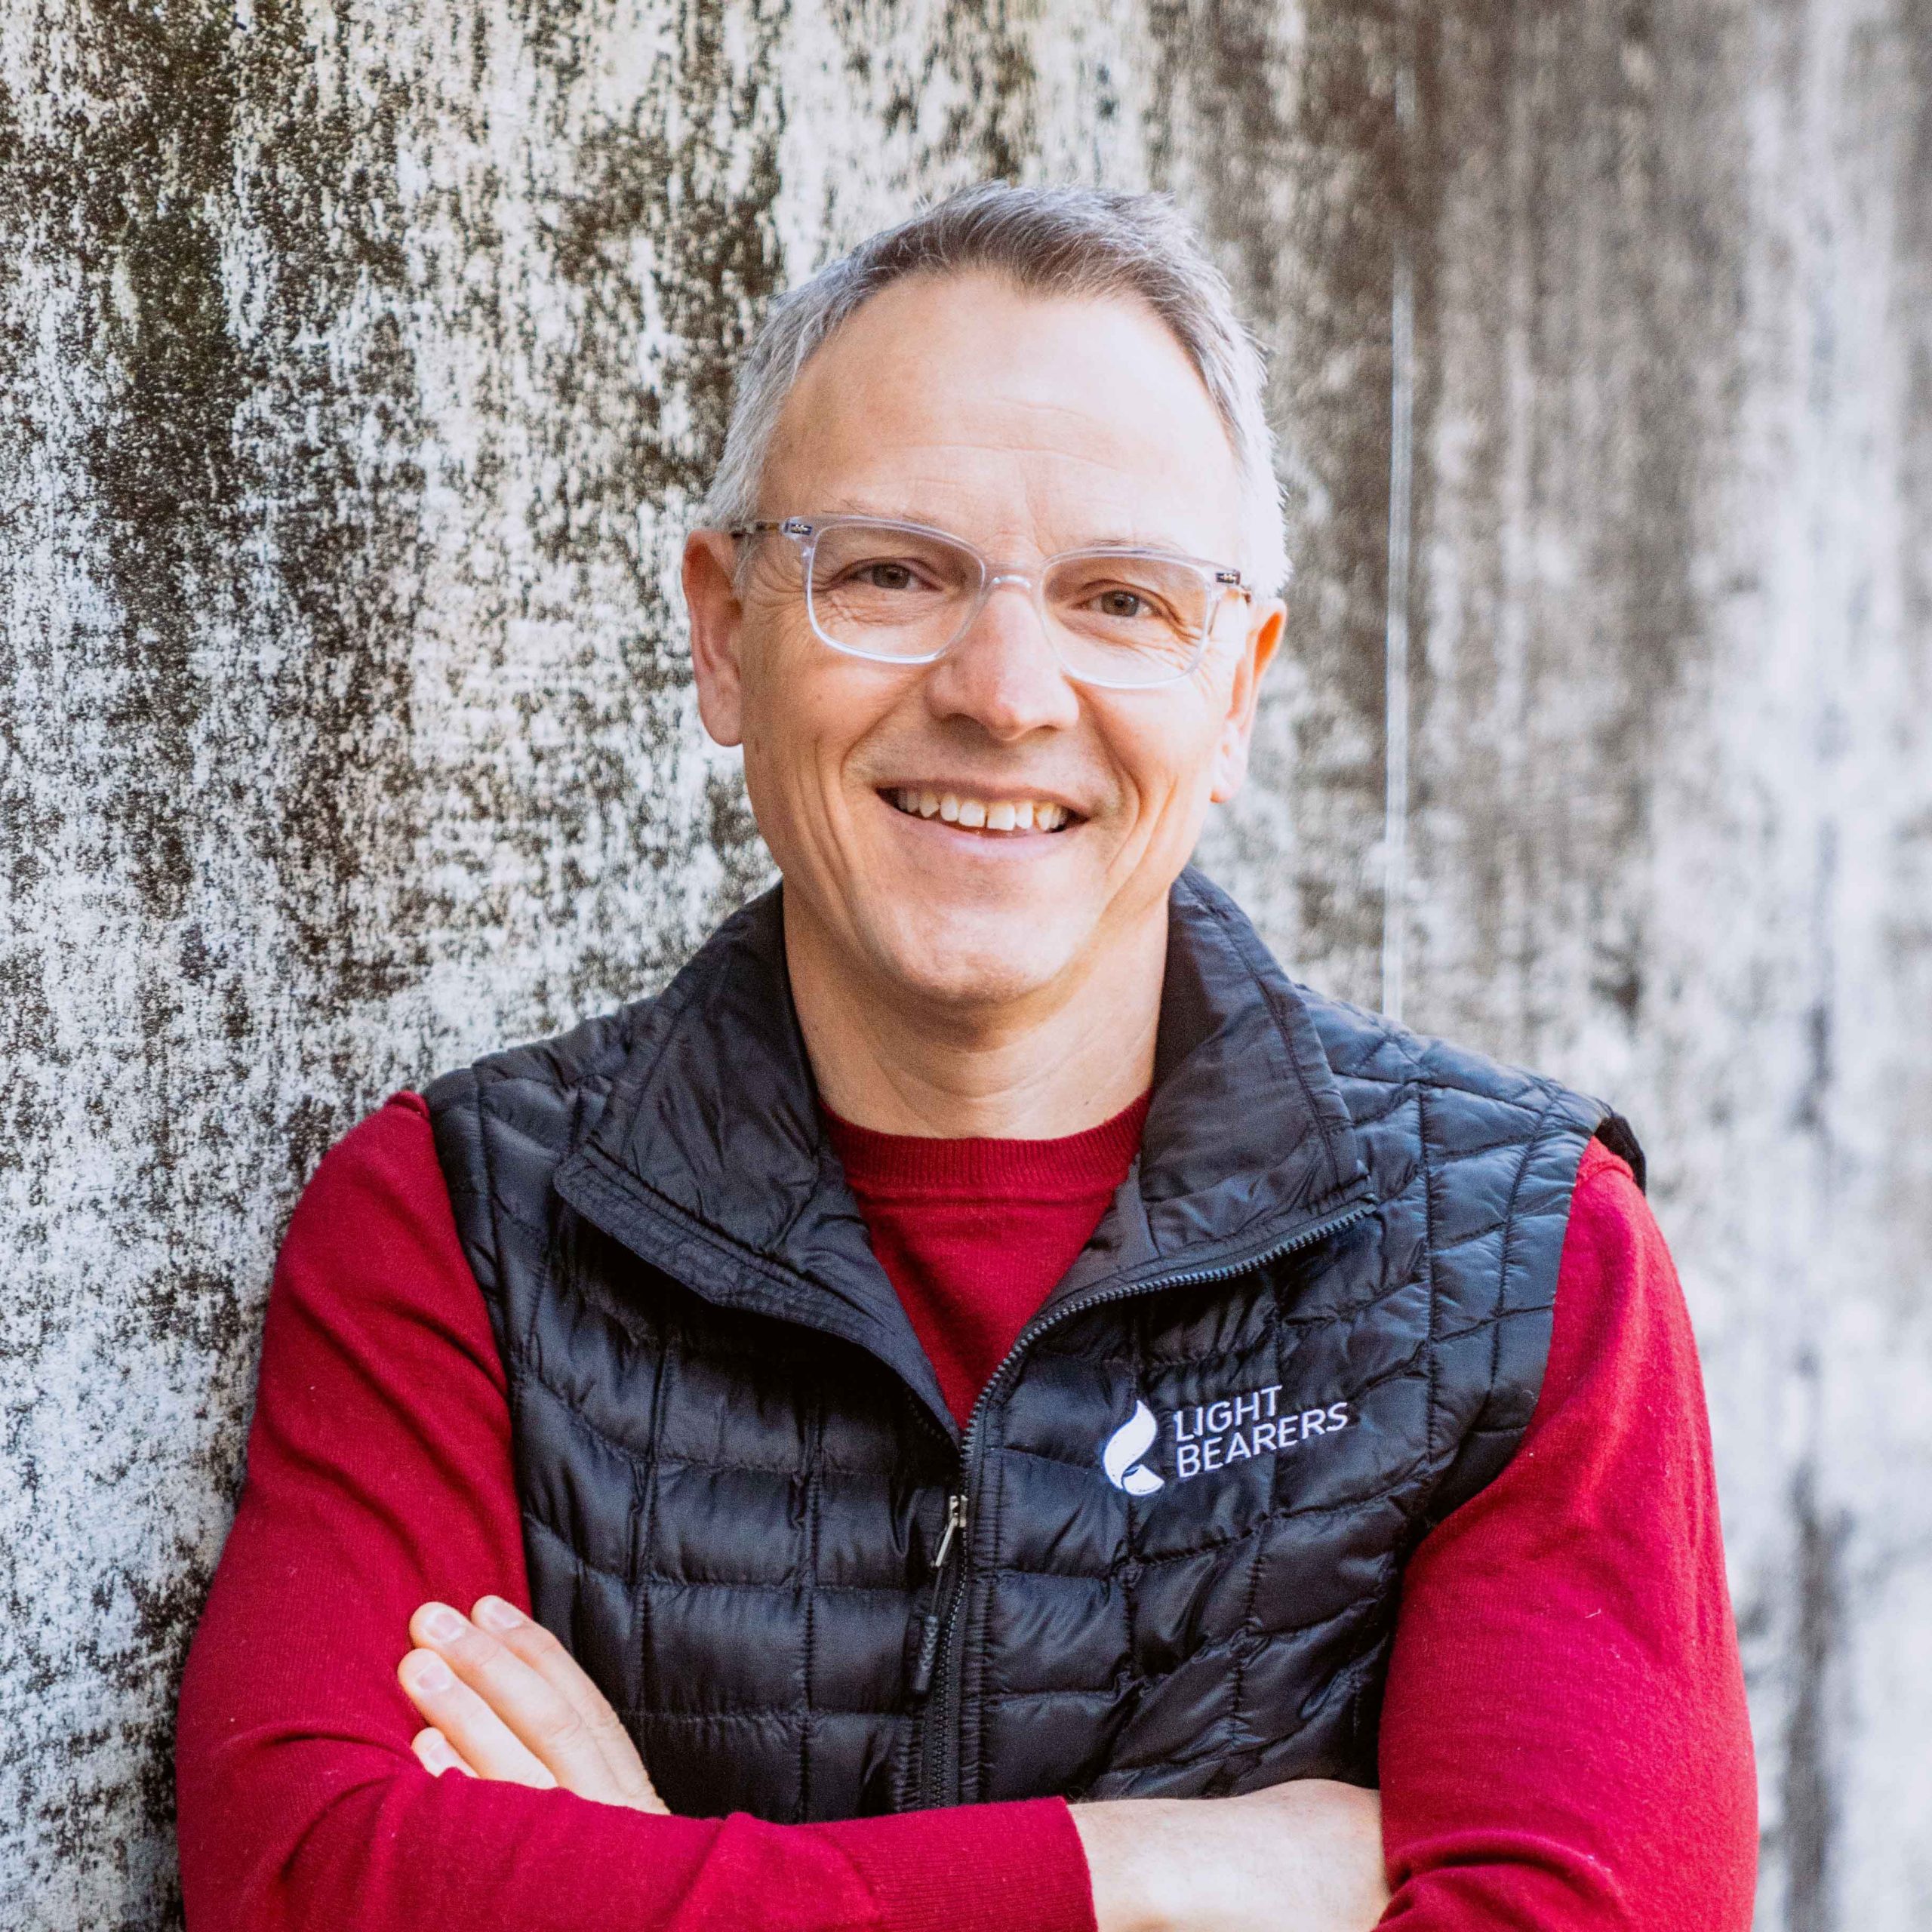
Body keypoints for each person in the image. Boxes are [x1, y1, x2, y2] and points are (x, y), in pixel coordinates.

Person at [176, 184, 1757, 1932]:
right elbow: (310, 1876)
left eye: (1119, 600)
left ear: (1233, 688)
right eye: (889, 572)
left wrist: (652, 1880)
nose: (1003, 689)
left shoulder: (1520, 1268)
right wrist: (1137, 1875)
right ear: (722, 631)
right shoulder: (457, 1229)